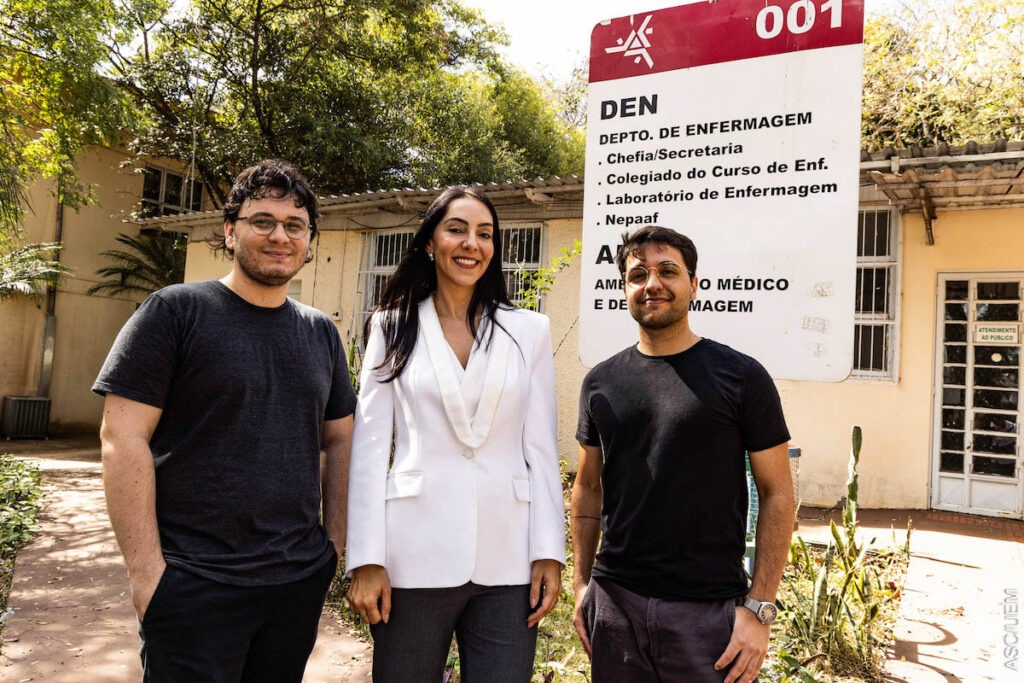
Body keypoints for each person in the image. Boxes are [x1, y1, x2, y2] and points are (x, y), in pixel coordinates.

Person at [93, 160, 355, 681]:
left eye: (294, 225)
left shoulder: (320, 333)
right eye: (263, 221)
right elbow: (122, 437)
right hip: (194, 583)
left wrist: (334, 549)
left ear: (309, 241)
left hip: (294, 582)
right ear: (230, 232)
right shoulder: (174, 312)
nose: (280, 236)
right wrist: (148, 574)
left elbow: (341, 439)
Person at [346, 186, 565, 681]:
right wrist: (365, 559)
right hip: (412, 554)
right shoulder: (392, 325)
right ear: (430, 241)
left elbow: (540, 447)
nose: (472, 244)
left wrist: (548, 550)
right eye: (457, 229)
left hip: (509, 558)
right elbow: (370, 447)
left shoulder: (528, 331)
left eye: (485, 234)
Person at [571, 226, 794, 683]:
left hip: (708, 615)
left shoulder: (742, 376)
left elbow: (778, 494)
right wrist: (581, 587)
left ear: (693, 285)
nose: (652, 283)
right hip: (616, 607)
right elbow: (587, 487)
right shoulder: (601, 382)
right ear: (624, 289)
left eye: (667, 271)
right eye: (638, 274)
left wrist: (759, 609)